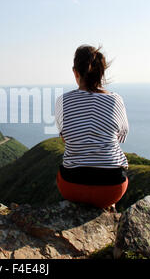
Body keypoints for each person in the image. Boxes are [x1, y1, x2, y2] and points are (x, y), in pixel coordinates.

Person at [55, 45, 129, 212]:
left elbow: (65, 137)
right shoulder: (116, 100)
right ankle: (109, 208)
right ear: (102, 73)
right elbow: (121, 136)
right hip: (112, 189)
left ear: (75, 72)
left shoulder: (63, 101)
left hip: (72, 186)